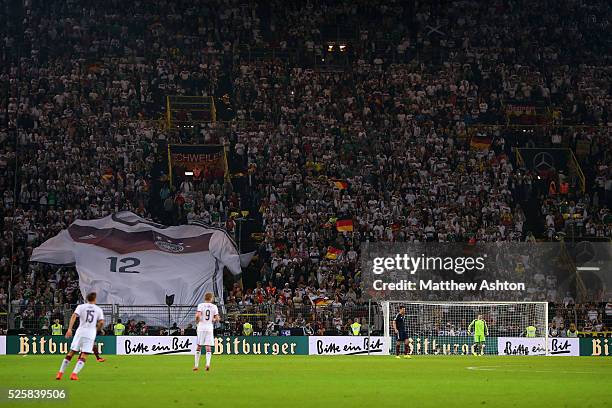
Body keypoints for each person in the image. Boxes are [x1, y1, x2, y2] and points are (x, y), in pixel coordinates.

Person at [55, 292, 105, 381]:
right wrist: (98, 329)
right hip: (90, 334)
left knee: (71, 352)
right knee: (84, 354)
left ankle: (60, 373)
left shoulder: (81, 307)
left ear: (87, 299)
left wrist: (69, 329)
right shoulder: (98, 309)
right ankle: (74, 374)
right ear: (94, 299)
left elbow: (74, 316)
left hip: (80, 332)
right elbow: (101, 322)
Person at [194, 292, 220, 372]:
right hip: (209, 327)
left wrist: (197, 321)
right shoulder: (214, 306)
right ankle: (208, 364)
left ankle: (196, 366)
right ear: (211, 298)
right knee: (208, 346)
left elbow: (198, 315)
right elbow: (218, 318)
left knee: (199, 346)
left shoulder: (201, 305)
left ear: (205, 298)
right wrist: (214, 319)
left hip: (201, 327)